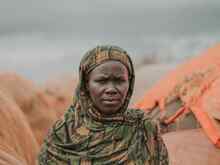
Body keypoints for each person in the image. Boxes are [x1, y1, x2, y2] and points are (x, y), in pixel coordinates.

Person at [38, 45, 169, 165]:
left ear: (129, 83)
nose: (111, 89)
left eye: (119, 81)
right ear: (86, 85)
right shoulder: (62, 133)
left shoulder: (144, 128)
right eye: (102, 81)